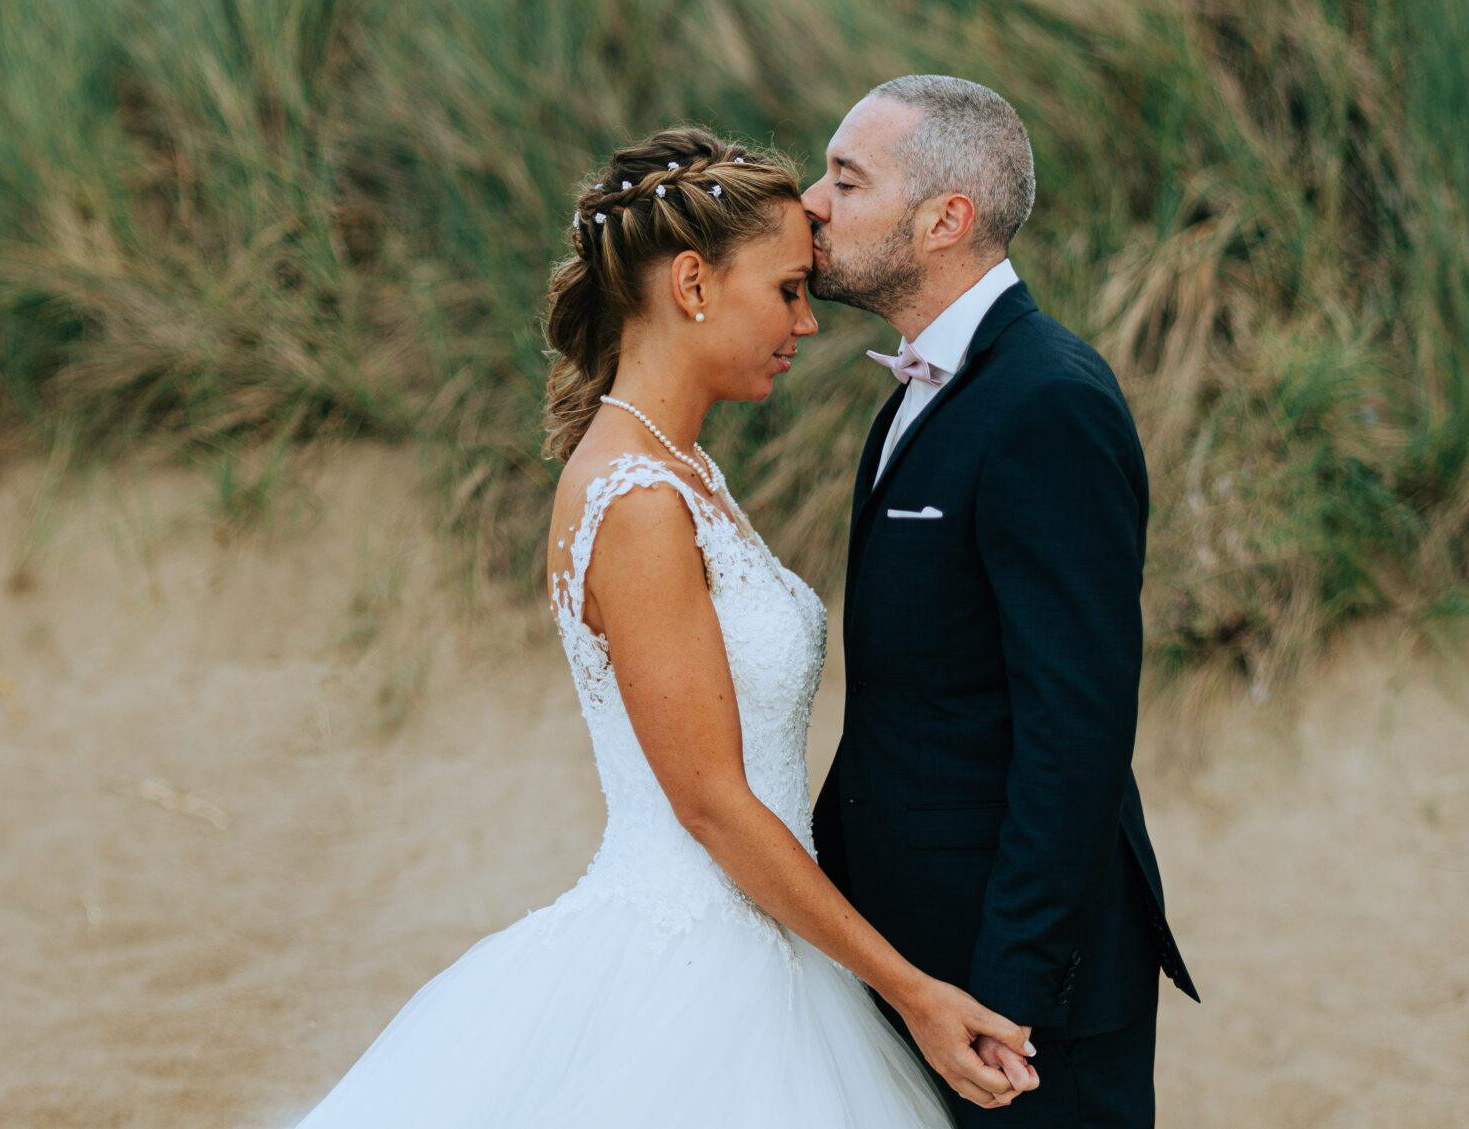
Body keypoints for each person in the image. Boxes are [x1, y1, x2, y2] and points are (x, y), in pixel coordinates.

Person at [280, 127, 1034, 1129]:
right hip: (694, 962)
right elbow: (713, 804)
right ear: (691, 283)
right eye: (785, 290)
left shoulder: (682, 472)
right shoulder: (634, 499)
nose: (805, 325)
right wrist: (910, 988)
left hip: (768, 943)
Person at [804, 76, 1202, 1128]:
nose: (812, 201)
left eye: (845, 179)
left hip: (1017, 995)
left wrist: (1009, 992)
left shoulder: (1048, 400)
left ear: (945, 218)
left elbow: (1075, 722)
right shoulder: (922, 391)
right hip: (915, 958)